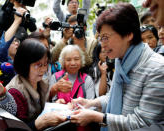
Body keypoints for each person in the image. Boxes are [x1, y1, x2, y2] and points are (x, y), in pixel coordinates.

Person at [69, 3, 164, 131]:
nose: (102, 45)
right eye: (100, 38)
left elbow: (143, 123)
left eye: (106, 38)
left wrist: (99, 117)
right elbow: (114, 96)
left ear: (129, 34)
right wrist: (91, 103)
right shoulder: (121, 61)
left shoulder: (157, 68)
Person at [0, 39, 66, 130]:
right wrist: (40, 122)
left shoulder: (42, 82)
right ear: (25, 64)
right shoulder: (15, 90)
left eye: (45, 64)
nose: (44, 69)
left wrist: (55, 107)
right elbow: (15, 126)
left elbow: (10, 108)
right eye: (39, 65)